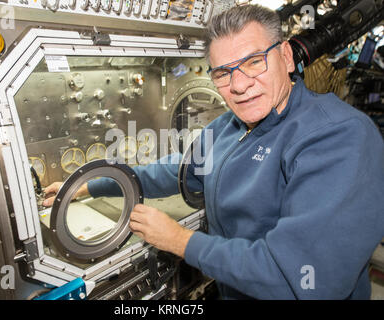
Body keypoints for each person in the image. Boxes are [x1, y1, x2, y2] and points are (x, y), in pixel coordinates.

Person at [43, 5, 384, 299]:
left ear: (285, 58)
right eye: (223, 73)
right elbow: (179, 170)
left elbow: (302, 280)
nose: (238, 85)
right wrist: (91, 185)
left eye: (252, 62)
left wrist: (181, 241)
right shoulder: (228, 126)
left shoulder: (339, 137)